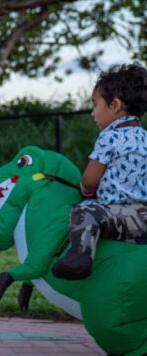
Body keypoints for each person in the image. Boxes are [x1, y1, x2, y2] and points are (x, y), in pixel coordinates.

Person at [52, 63, 147, 281]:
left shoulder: (109, 137)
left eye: (95, 105)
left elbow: (90, 179)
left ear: (115, 105)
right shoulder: (144, 137)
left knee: (85, 212)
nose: (93, 113)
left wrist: (85, 189)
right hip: (143, 217)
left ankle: (79, 258)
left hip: (122, 215)